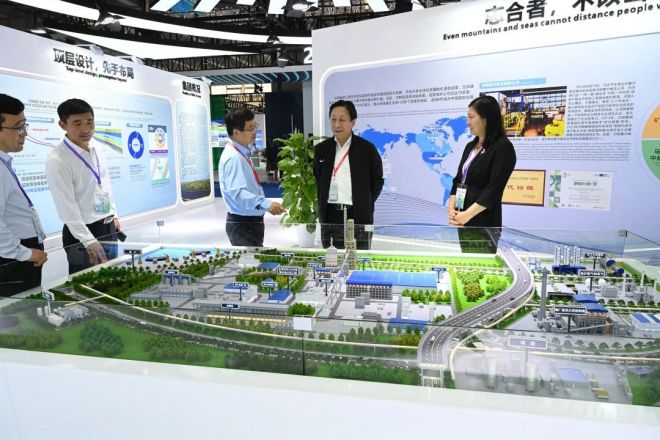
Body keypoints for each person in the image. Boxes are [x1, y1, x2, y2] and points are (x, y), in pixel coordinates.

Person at [46, 99, 121, 274]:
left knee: (111, 279)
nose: (86, 129)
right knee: (88, 284)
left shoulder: (97, 148)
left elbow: (104, 185)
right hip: (83, 233)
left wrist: (113, 214)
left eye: (89, 122)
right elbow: (66, 206)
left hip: (107, 226)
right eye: (77, 123)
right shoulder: (57, 160)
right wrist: (88, 240)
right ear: (63, 125)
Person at [448, 95, 516, 253]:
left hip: (483, 221)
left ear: (486, 119)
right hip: (462, 216)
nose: (467, 122)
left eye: (471, 117)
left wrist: (467, 215)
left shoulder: (503, 147)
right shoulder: (470, 146)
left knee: (480, 264)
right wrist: (452, 209)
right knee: (468, 262)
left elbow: (493, 190)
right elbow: (458, 180)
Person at [314, 100, 383, 250]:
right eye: (333, 119)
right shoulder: (321, 150)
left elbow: (377, 180)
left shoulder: (367, 149)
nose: (336, 124)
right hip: (330, 214)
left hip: (358, 214)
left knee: (358, 256)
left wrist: (366, 202)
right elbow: (318, 178)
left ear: (353, 122)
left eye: (342, 120)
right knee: (332, 257)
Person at [0, 94, 48, 296]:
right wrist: (25, 253)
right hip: (14, 258)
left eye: (25, 126)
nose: (24, 133)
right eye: (18, 127)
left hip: (19, 254)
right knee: (21, 311)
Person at [218, 107, 285, 247]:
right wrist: (266, 204)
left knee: (253, 258)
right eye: (250, 128)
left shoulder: (241, 152)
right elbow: (238, 194)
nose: (255, 132)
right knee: (250, 260)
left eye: (255, 126)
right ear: (236, 132)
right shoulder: (234, 157)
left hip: (248, 222)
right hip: (243, 224)